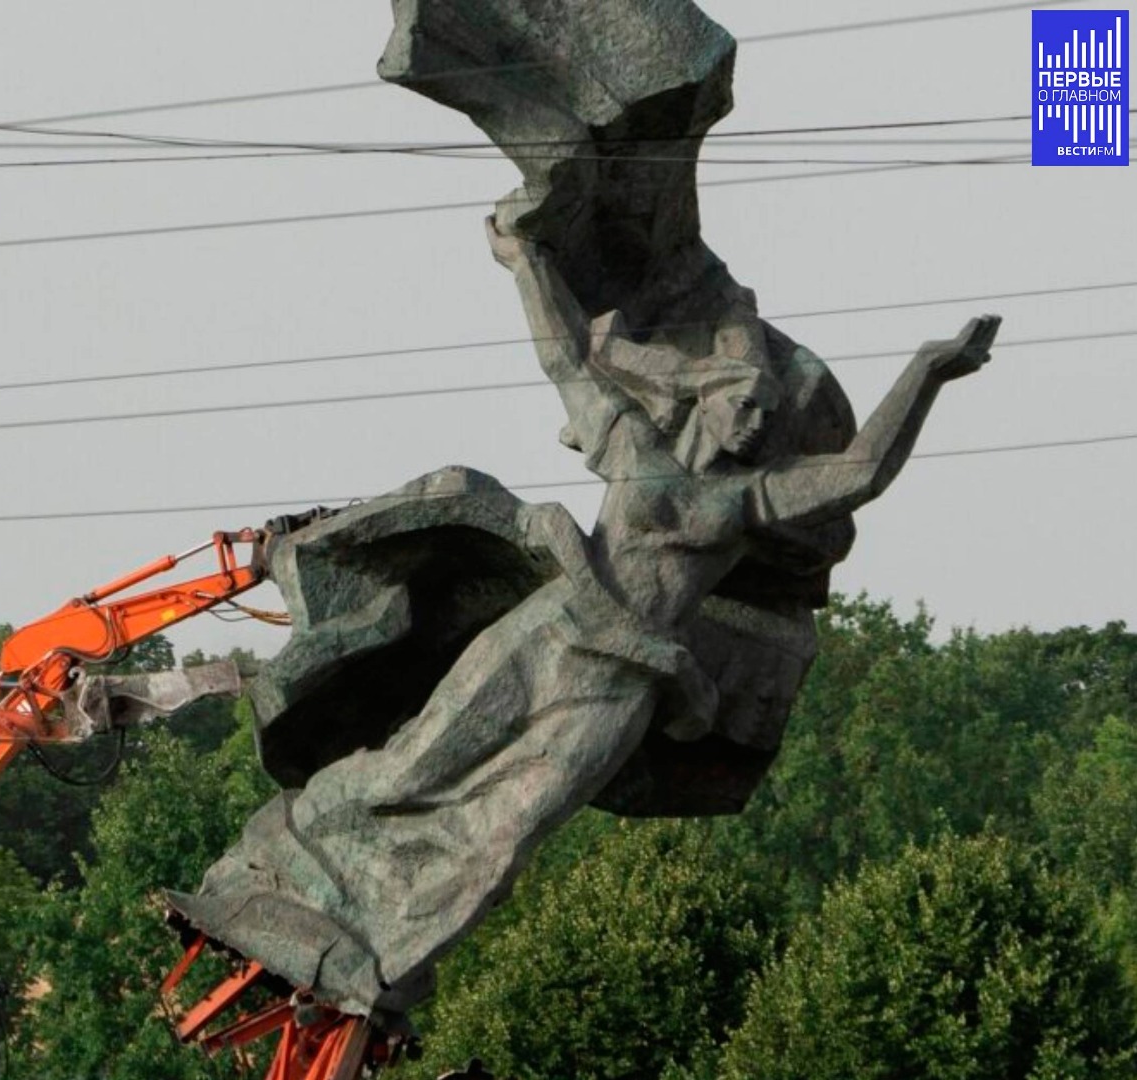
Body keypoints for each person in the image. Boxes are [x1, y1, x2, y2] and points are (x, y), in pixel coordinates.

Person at [168, 213, 999, 1018]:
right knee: (410, 767)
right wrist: (525, 262)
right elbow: (564, 355)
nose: (755, 423)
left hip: (618, 689)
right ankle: (274, 864)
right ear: (705, 399)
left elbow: (859, 473)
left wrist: (928, 371)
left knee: (506, 837)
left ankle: (388, 956)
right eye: (744, 403)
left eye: (765, 413)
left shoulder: (748, 501)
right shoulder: (634, 447)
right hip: (546, 639)